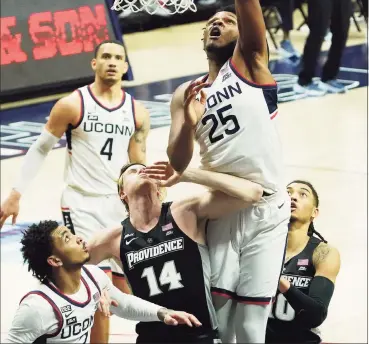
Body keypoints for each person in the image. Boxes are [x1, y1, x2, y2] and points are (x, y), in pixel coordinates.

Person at [167, 0, 290, 344]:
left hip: (267, 205)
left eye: (228, 21)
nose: (220, 23)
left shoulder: (251, 65)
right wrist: (185, 127)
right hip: (222, 206)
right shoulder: (186, 92)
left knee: (252, 324)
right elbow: (177, 163)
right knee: (220, 316)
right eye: (212, 21)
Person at [0, 40, 150, 343]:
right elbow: (40, 148)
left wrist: (146, 203)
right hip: (80, 204)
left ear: (124, 66)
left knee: (126, 284)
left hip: (116, 207)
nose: (111, 61)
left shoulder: (136, 111)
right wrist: (16, 193)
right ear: (94, 64)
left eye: (118, 57)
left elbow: (137, 165)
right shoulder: (73, 104)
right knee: (97, 284)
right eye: (105, 56)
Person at [87, 160, 264, 343]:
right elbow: (67, 264)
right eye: (133, 171)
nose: (142, 170)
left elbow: (253, 193)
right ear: (122, 192)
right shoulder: (113, 238)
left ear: (158, 187)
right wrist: (99, 288)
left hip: (198, 335)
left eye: (146, 169)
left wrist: (186, 174)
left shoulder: (183, 211)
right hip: (150, 337)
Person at [5, 220, 200, 343]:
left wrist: (162, 313)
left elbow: (123, 303)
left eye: (72, 233)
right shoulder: (38, 307)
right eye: (67, 239)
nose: (79, 239)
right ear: (55, 260)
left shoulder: (92, 276)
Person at [267, 181, 341, 343]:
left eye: (302, 194)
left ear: (314, 213)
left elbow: (316, 315)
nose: (293, 197)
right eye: (288, 193)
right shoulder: (262, 246)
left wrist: (279, 281)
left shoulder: (324, 252)